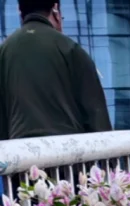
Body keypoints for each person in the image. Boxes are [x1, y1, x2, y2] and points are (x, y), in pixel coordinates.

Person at [0, 0, 112, 139]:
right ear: (55, 8)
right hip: (67, 146)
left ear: (19, 11)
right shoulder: (70, 48)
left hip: (20, 148)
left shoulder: (4, 51)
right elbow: (96, 116)